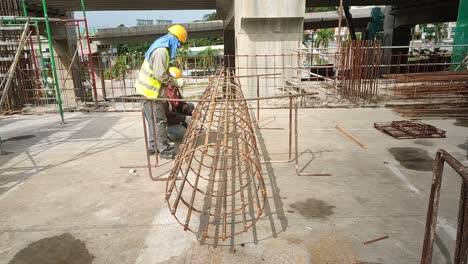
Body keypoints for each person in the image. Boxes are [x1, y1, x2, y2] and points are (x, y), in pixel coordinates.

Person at [135, 25, 187, 159]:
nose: (179, 46)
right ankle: (164, 149)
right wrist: (175, 82)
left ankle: (153, 147)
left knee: (153, 121)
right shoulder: (161, 51)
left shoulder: (160, 46)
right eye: (180, 44)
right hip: (152, 92)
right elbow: (160, 75)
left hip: (146, 91)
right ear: (176, 40)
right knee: (159, 121)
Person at [165, 68, 195, 141]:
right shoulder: (164, 93)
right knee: (183, 132)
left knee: (190, 105)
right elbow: (167, 114)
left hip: (175, 116)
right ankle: (166, 134)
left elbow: (181, 103)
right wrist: (184, 118)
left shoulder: (175, 89)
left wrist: (190, 111)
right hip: (167, 121)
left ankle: (182, 124)